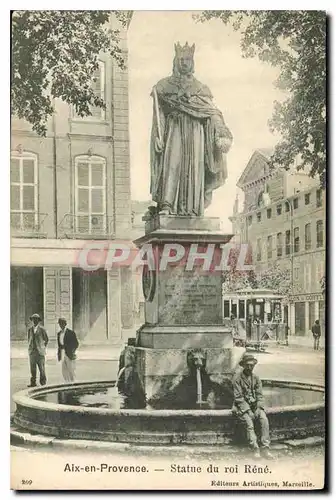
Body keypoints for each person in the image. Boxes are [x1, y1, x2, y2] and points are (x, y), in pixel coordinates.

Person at [149, 42, 233, 217]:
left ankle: (194, 208)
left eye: (188, 59)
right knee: (173, 163)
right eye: (181, 59)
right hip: (174, 130)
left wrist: (221, 132)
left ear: (192, 61)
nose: (185, 63)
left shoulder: (201, 89)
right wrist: (158, 135)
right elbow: (159, 116)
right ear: (175, 61)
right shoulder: (163, 86)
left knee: (195, 167)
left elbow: (212, 112)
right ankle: (167, 204)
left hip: (196, 133)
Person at [232, 353, 273, 459]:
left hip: (255, 406)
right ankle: (255, 448)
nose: (250, 367)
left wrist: (259, 408)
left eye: (252, 365)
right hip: (242, 407)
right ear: (243, 365)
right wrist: (248, 411)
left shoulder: (256, 378)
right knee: (249, 424)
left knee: (264, 420)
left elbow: (260, 395)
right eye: (247, 365)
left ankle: (265, 448)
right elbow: (239, 398)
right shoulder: (237, 379)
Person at [27, 313, 48, 387]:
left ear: (38, 321)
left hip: (40, 352)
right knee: (32, 368)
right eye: (33, 319)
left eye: (36, 320)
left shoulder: (42, 329)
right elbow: (29, 339)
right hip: (32, 352)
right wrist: (30, 348)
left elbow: (46, 339)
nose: (34, 321)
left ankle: (43, 383)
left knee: (41, 368)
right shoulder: (30, 330)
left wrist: (42, 347)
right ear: (32, 320)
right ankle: (33, 382)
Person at [57, 318, 79, 382]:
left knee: (71, 370)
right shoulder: (59, 334)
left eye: (62, 323)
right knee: (64, 370)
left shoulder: (70, 333)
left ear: (65, 324)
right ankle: (67, 383)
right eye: (60, 324)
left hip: (69, 353)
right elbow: (59, 345)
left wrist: (72, 351)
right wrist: (59, 354)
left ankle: (73, 383)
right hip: (62, 352)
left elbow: (76, 343)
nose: (61, 325)